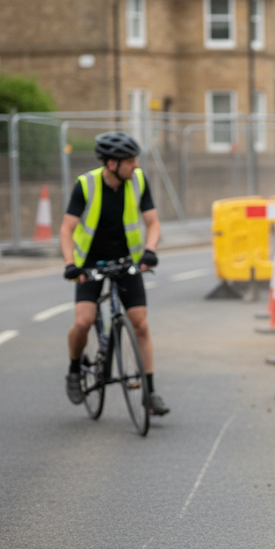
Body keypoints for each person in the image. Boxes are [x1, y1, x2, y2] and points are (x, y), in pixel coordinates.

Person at [59, 131, 169, 416]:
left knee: (140, 324)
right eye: (130, 161)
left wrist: (150, 249)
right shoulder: (86, 185)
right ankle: (74, 369)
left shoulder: (138, 181)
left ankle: (150, 391)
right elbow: (66, 229)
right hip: (90, 264)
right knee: (84, 321)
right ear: (111, 164)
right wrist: (70, 264)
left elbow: (153, 222)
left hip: (126, 261)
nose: (135, 165)